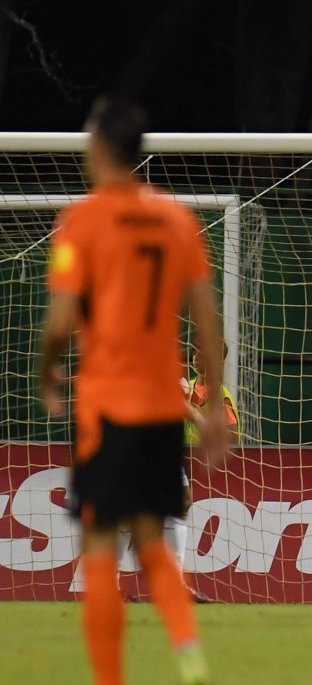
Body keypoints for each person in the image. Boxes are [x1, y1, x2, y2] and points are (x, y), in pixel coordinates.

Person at [41, 97, 226, 685]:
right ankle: (188, 650)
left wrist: (45, 371)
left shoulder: (82, 221)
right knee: (150, 535)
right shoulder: (178, 221)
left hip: (106, 403)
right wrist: (214, 404)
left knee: (99, 540)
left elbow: (60, 323)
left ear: (97, 147)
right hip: (160, 408)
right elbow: (206, 320)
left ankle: (108, 678)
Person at [177, 342, 241, 604]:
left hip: (203, 466)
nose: (195, 356)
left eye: (202, 353)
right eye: (194, 352)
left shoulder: (220, 394)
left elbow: (231, 435)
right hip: (175, 457)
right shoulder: (185, 386)